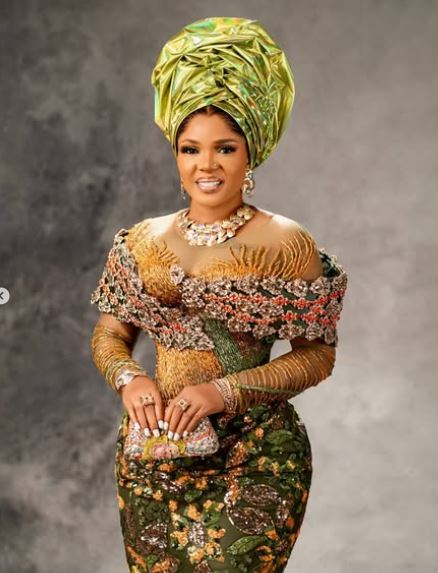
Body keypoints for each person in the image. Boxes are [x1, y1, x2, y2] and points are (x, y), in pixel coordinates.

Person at [90, 16, 348, 573]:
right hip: (155, 452)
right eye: (191, 149)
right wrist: (131, 380)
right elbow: (110, 335)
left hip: (256, 454)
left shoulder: (285, 242)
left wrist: (221, 392)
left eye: (224, 148)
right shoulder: (141, 241)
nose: (206, 166)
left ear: (249, 154)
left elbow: (317, 356)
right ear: (176, 155)